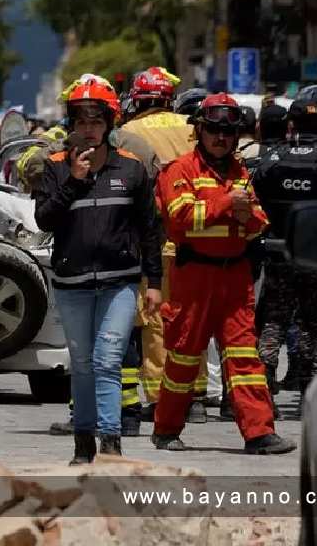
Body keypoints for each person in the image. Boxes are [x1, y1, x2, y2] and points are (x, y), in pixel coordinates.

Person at [152, 93, 295, 454]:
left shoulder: (240, 172)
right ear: (199, 130)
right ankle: (166, 429)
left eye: (228, 132)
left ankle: (259, 432)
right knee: (185, 356)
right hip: (194, 276)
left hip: (235, 277)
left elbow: (257, 223)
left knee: (245, 357)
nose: (221, 138)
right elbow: (181, 220)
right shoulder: (179, 170)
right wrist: (227, 204)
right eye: (214, 130)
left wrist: (247, 217)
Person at [34, 77, 162, 463]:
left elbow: (149, 229)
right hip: (71, 284)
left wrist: (154, 282)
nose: (88, 129)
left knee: (109, 360)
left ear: (109, 123)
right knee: (84, 363)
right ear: (72, 124)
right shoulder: (55, 167)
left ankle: (111, 442)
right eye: (81, 120)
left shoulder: (133, 169)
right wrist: (74, 181)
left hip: (118, 283)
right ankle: (83, 441)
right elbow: (44, 220)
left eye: (96, 120)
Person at [118, 67, 213, 423]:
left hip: (154, 241)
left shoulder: (128, 134)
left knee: (157, 320)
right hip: (198, 235)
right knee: (193, 318)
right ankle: (198, 393)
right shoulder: (193, 127)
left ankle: (162, 397)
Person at [250, 100, 317, 399]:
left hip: (280, 253)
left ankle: (264, 385)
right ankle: (316, 392)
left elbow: (256, 203)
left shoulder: (272, 157)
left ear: (291, 125)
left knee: (274, 321)